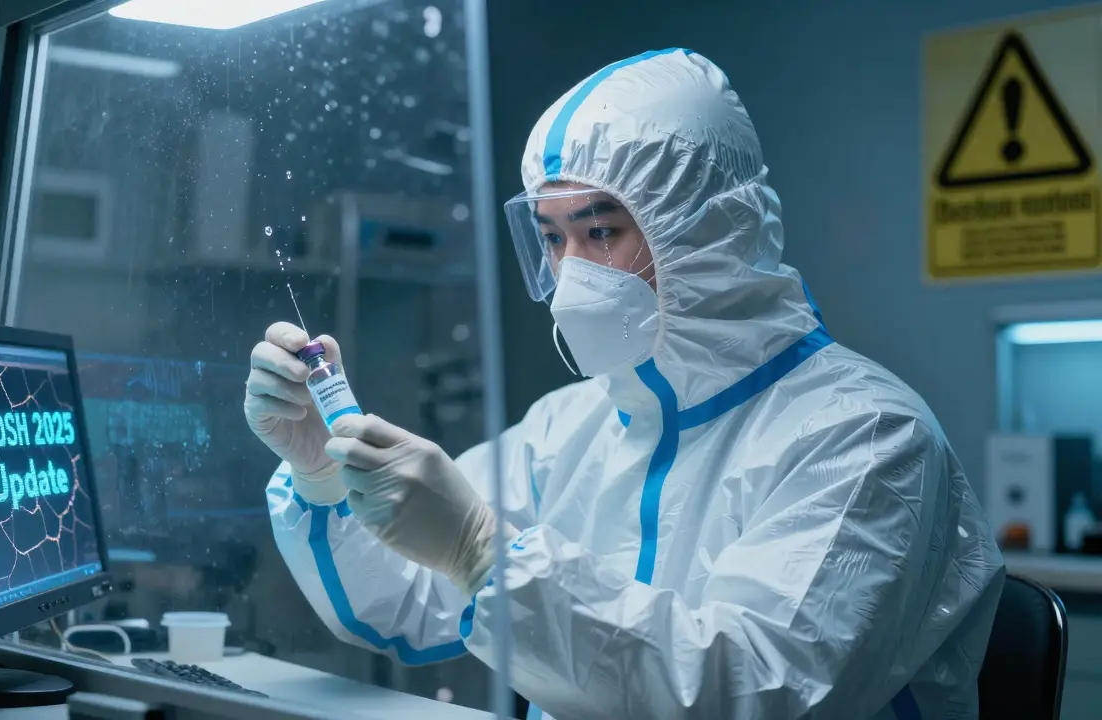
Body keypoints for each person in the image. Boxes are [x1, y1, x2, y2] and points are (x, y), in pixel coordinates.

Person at [246, 48, 1005, 719]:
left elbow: (747, 690)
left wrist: (485, 554)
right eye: (552, 237)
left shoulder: (865, 438)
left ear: (708, 230)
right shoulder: (573, 426)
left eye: (600, 231)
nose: (570, 274)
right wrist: (324, 474)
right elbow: (403, 605)